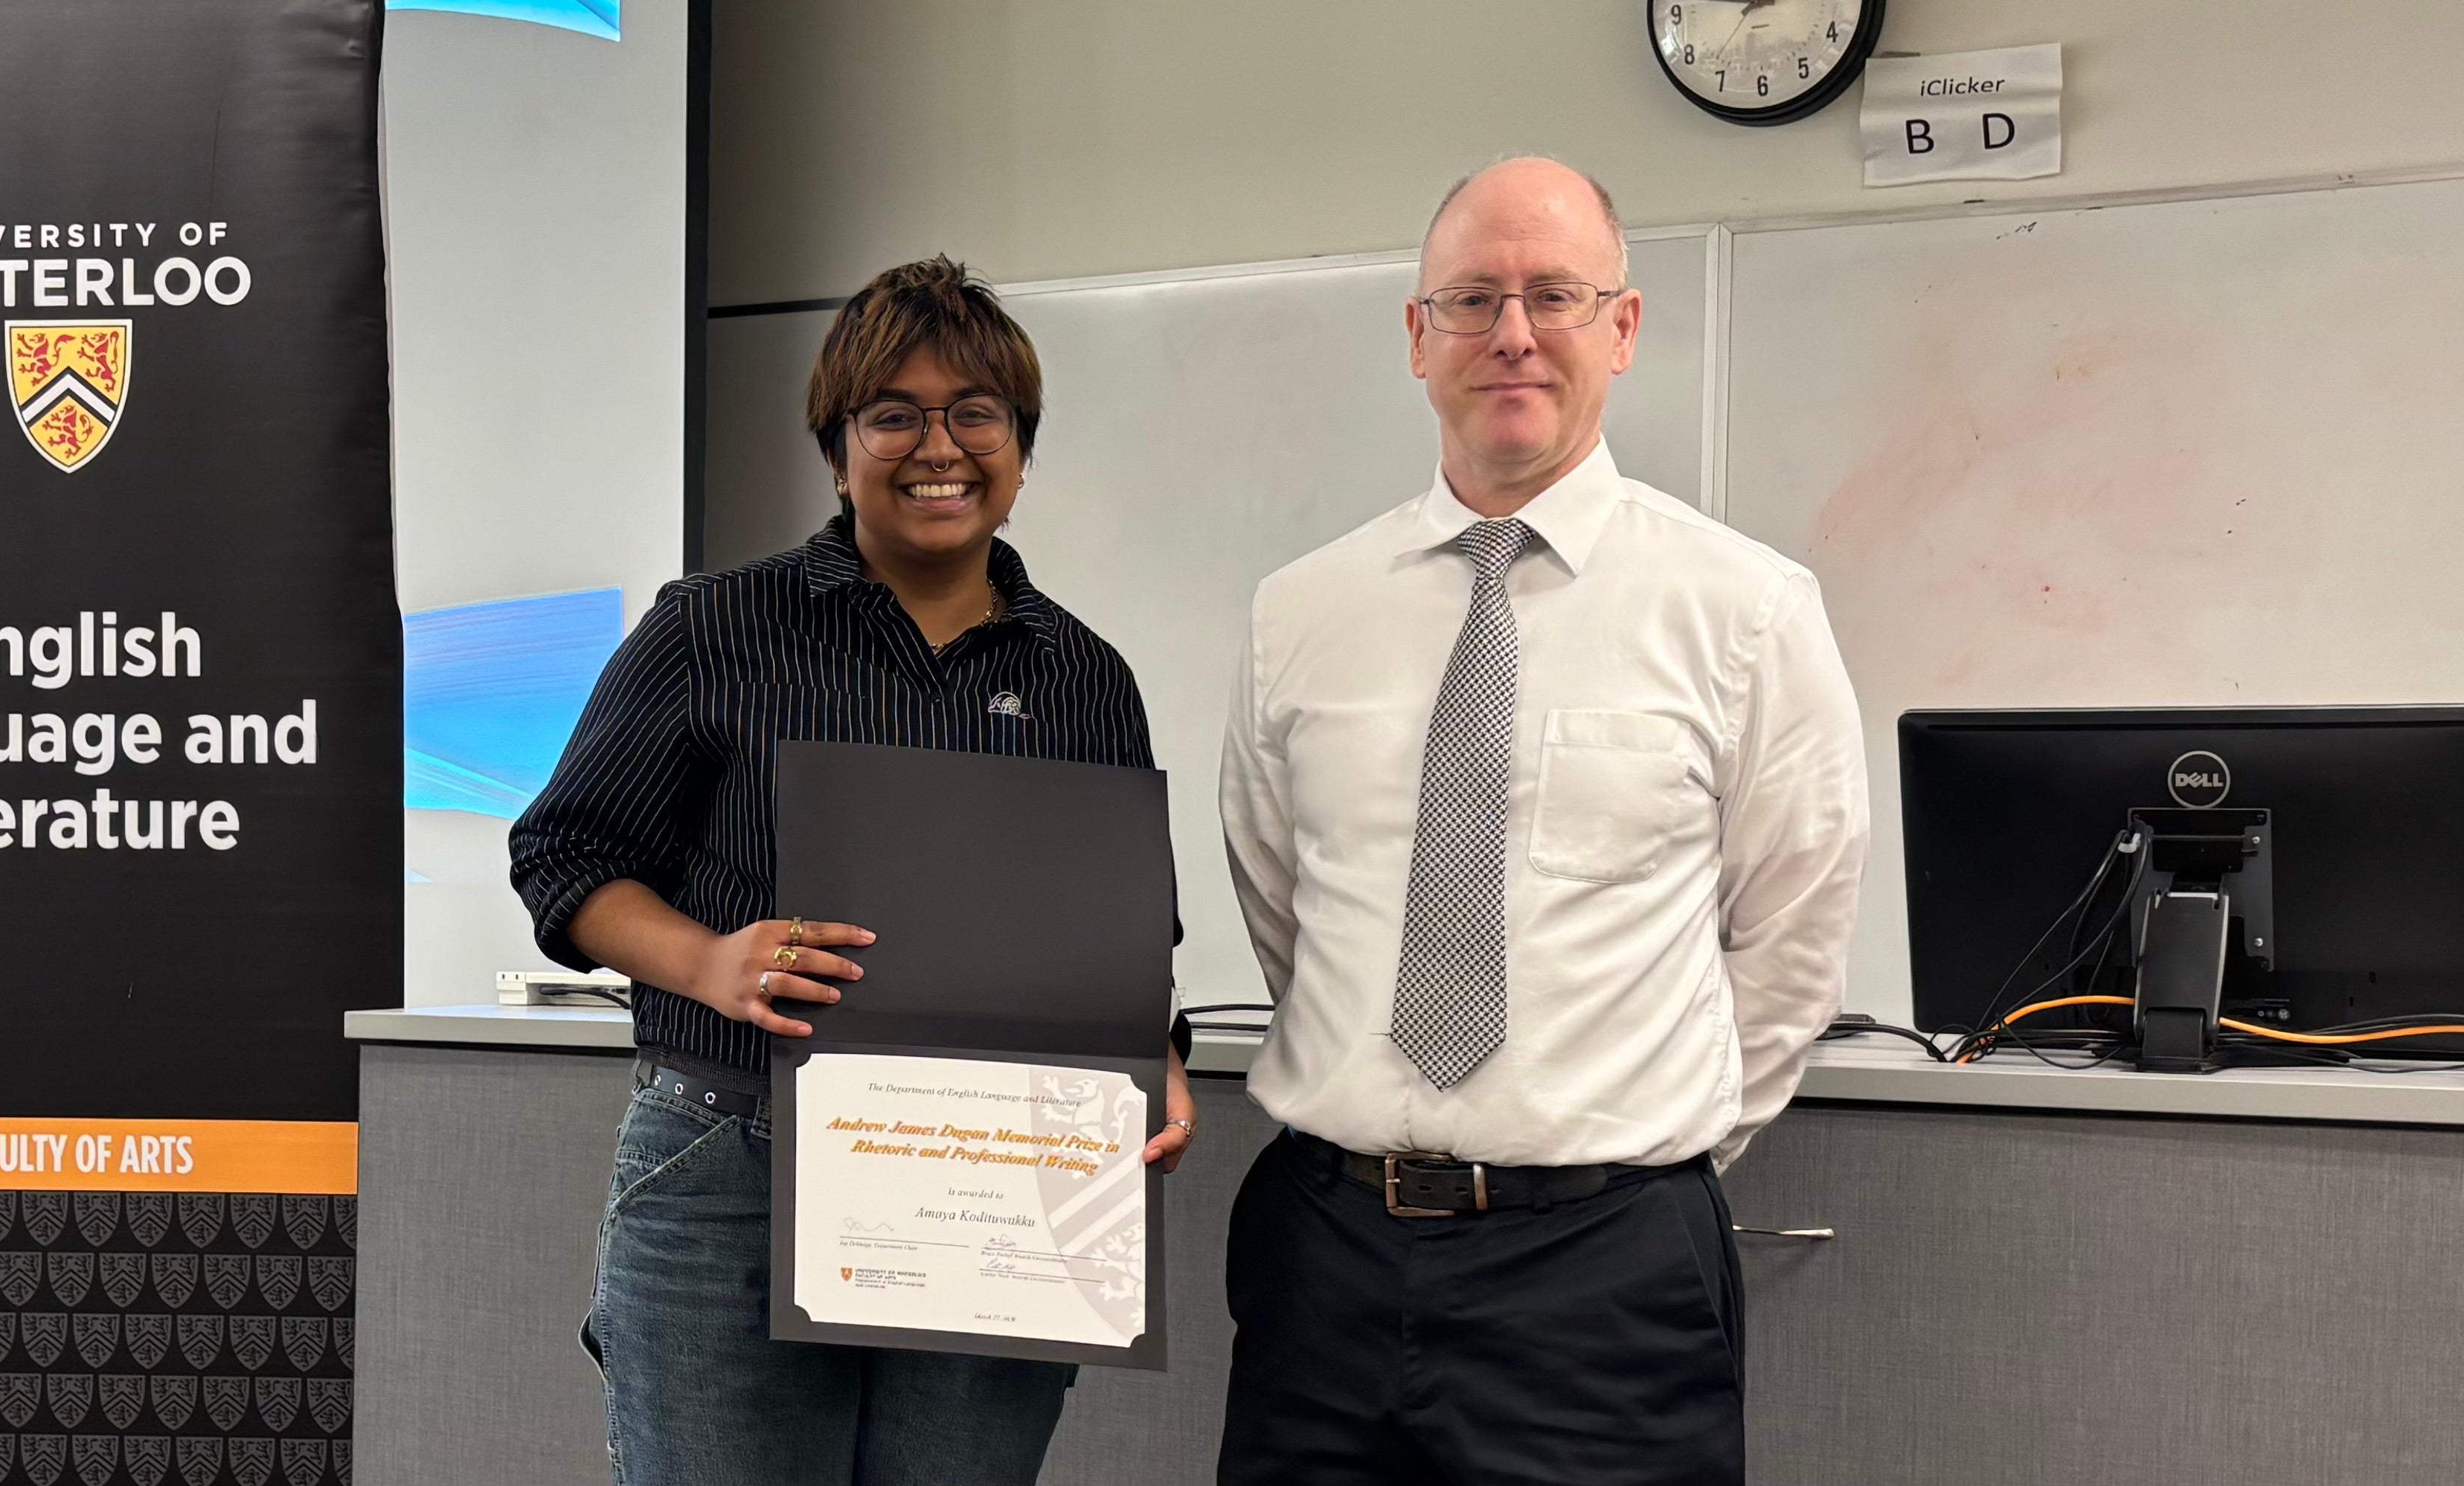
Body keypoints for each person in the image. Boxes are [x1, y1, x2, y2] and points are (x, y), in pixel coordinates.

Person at [1216, 156, 1868, 1485]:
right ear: (1416, 337)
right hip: (1322, 1260)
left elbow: (1791, 937)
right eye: (1469, 298)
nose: (1511, 332)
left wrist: (1629, 1142)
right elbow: (1284, 902)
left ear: (1620, 329)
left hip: (1600, 1282)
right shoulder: (1302, 610)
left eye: (1554, 295)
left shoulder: (1744, 610)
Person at [510, 256, 1196, 1486]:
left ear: (1021, 449)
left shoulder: (1087, 677)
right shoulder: (710, 628)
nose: (940, 445)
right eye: (893, 413)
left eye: (976, 412)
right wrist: (706, 960)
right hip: (730, 1154)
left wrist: (1159, 1061)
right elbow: (565, 856)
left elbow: (1129, 942)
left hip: (999, 1179)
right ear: (838, 451)